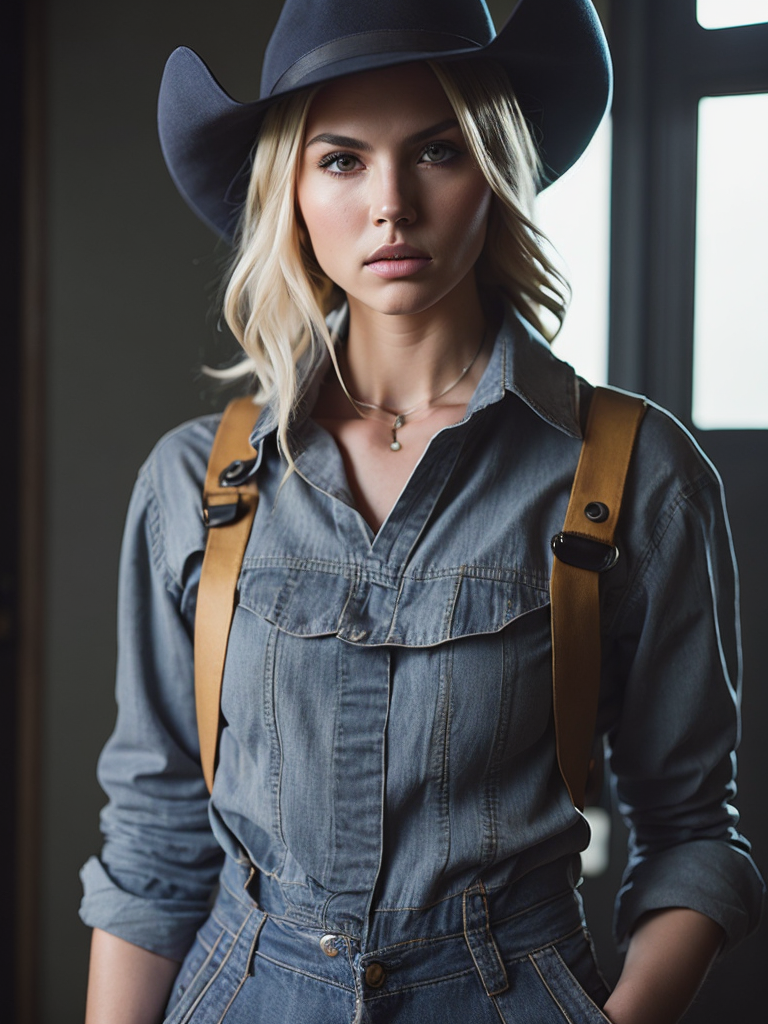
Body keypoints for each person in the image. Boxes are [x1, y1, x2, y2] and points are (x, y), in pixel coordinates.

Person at [80, 1, 764, 1022]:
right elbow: (154, 840)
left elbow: (690, 830)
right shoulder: (196, 482)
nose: (391, 205)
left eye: (437, 150)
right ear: (290, 191)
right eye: (341, 160)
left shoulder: (636, 472)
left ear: (496, 167)